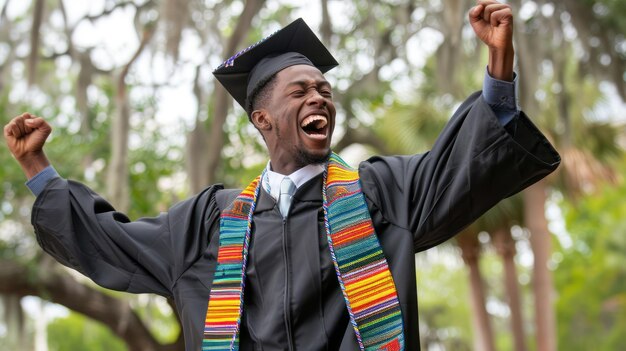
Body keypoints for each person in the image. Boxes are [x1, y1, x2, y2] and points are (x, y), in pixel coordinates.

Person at [4, 1, 560, 350]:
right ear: (262, 119)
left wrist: (498, 68)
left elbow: (456, 167)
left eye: (324, 90)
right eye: (300, 91)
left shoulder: (379, 195)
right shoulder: (210, 223)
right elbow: (112, 241)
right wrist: (38, 170)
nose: (319, 97)